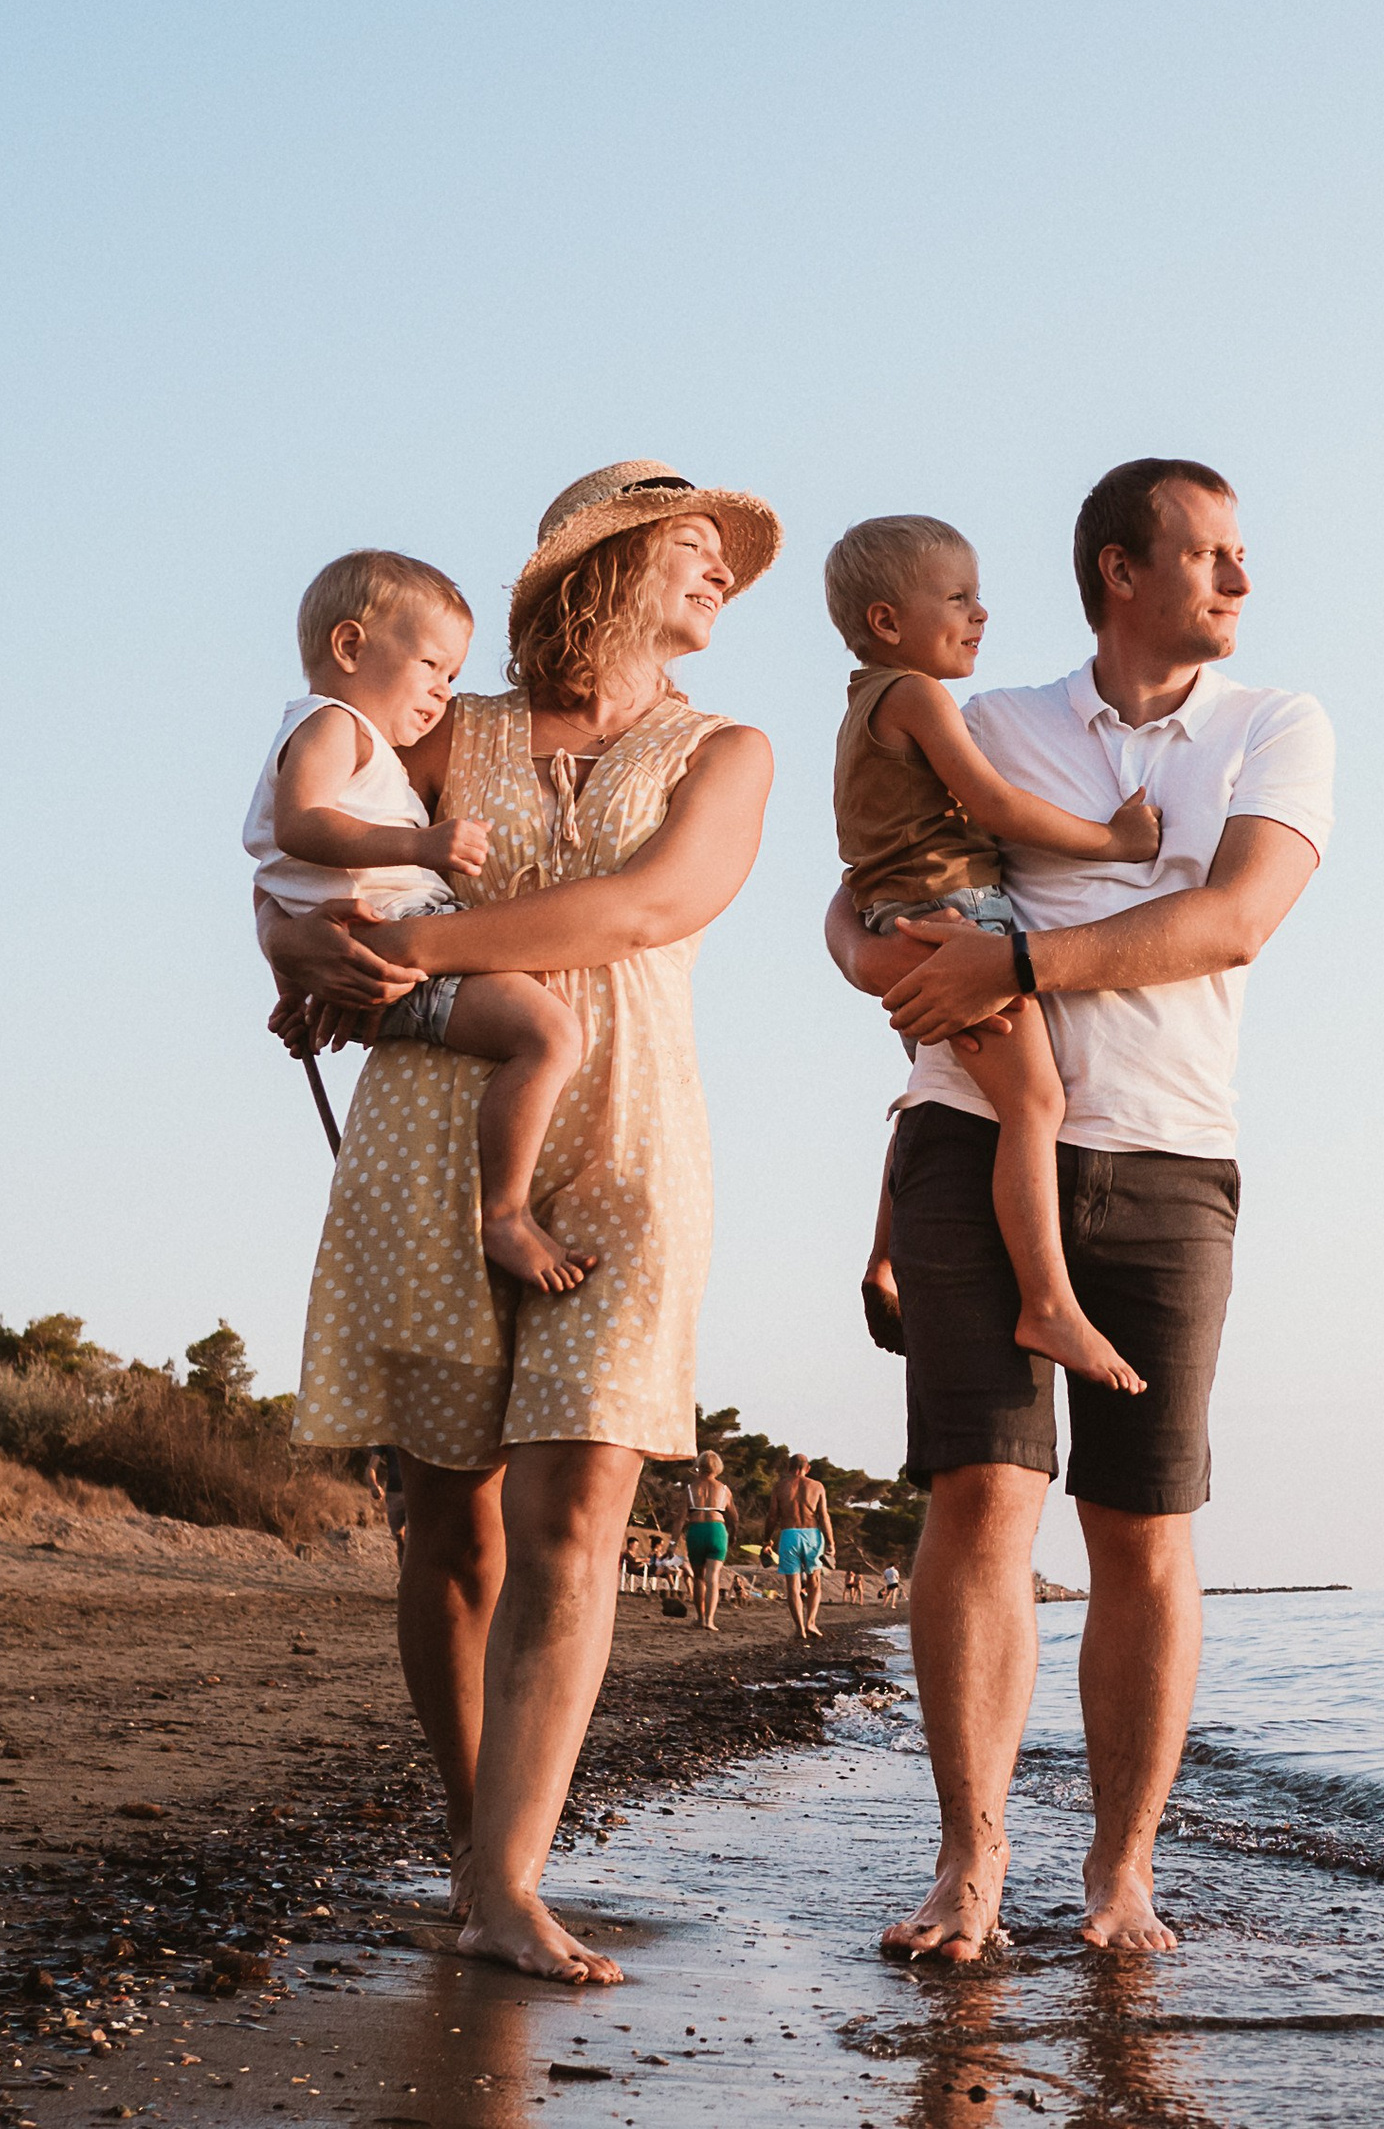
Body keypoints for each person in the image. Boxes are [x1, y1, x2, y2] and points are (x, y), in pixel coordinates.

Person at [265, 459, 779, 1985]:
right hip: (440, 1124)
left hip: (627, 1130)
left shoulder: (729, 749)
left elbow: (646, 909)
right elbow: (302, 858)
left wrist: (410, 941)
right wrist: (304, 954)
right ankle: (472, 1840)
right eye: (691, 552)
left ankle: (504, 1879)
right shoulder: (451, 727)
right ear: (599, 565)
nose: (719, 578)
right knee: (456, 1525)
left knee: (576, 1513)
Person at [828, 457, 1331, 1959]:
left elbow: (1233, 919)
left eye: (1245, 553)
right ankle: (971, 1869)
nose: (1241, 578)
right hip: (968, 1140)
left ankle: (1120, 1877)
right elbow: (857, 886)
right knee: (982, 1498)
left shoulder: (1274, 727)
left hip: (1173, 1159)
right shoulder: (989, 720)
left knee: (1143, 1526)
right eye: (1211, 553)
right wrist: (885, 969)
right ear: (1120, 570)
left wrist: (1021, 967)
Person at [825, 515, 1159, 1392]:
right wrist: (1112, 840)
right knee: (1035, 1102)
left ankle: (894, 1259)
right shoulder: (917, 697)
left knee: (955, 1099)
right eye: (960, 597)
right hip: (956, 921)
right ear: (890, 623)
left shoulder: (857, 712)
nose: (982, 613)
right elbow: (997, 803)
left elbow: (859, 855)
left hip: (901, 918)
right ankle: (1047, 1301)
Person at [247, 552, 593, 1292]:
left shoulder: (334, 736)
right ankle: (504, 1213)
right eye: (432, 665)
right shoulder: (335, 728)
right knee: (552, 1034)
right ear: (350, 647)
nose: (443, 691)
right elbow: (300, 828)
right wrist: (420, 843)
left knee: (534, 1000)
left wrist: (291, 984)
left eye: (453, 676)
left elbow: (269, 886)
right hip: (407, 945)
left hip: (392, 940)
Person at [764, 1454, 836, 1641]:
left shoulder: (780, 1487)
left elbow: (772, 1516)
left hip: (789, 1534)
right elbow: (823, 1516)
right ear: (808, 1468)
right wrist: (831, 1543)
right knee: (814, 1583)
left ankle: (799, 1629)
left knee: (793, 1586)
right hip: (812, 1534)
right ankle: (811, 1622)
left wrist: (766, 1539)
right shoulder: (817, 1486)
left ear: (789, 1467)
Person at [683, 1451, 736, 1632]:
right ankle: (709, 1620)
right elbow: (734, 1516)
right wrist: (734, 1533)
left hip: (696, 1530)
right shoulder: (723, 1489)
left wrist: (673, 1542)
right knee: (712, 1577)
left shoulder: (690, 1488)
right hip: (717, 1530)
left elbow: (680, 1518)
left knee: (698, 1577)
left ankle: (699, 1617)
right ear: (717, 1467)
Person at [367, 1446, 408, 1563]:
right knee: (399, 1536)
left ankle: (410, 1575)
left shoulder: (418, 1434)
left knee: (412, 1536)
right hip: (394, 1492)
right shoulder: (388, 1437)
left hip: (414, 1492)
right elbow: (371, 1467)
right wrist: (373, 1485)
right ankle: (403, 1570)